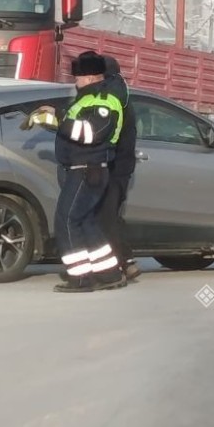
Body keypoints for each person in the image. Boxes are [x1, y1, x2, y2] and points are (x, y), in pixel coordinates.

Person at [26, 51, 128, 292]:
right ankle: (109, 274)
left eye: (79, 77)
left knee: (67, 220)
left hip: (87, 169)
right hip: (85, 169)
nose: (76, 81)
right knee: (86, 221)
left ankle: (81, 278)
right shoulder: (88, 98)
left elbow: (92, 133)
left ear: (91, 77)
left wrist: (58, 120)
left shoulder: (104, 101)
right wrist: (54, 114)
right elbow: (75, 123)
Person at [99, 55, 140, 281]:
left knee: (106, 217)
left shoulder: (109, 96)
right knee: (110, 216)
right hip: (120, 165)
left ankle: (118, 265)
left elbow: (104, 132)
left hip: (110, 165)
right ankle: (126, 261)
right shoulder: (120, 91)